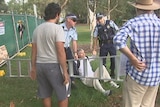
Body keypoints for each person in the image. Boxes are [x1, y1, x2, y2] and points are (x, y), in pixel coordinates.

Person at [113, 0, 160, 107]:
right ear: (152, 8)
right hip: (155, 76)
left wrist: (133, 58)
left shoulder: (133, 23)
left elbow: (118, 40)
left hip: (137, 74)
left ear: (137, 8)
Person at [30, 2, 70, 107]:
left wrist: (33, 68)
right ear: (57, 14)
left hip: (40, 65)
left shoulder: (36, 30)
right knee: (62, 95)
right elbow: (61, 51)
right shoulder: (57, 29)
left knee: (45, 94)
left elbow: (33, 51)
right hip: (53, 65)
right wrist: (65, 72)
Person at [92, 13, 119, 78]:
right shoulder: (97, 27)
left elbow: (117, 30)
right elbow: (95, 38)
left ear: (103, 18)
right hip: (103, 45)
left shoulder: (110, 23)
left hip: (112, 44)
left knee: (113, 59)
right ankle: (103, 74)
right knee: (102, 60)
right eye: (98, 19)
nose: (100, 20)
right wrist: (94, 49)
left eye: (100, 18)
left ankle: (112, 72)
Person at [60, 13, 78, 87]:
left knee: (72, 65)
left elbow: (74, 41)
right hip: (59, 49)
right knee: (60, 65)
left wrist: (75, 53)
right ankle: (62, 80)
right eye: (74, 20)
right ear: (68, 19)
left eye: (76, 20)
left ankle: (72, 81)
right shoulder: (59, 28)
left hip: (67, 48)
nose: (75, 22)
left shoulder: (73, 29)